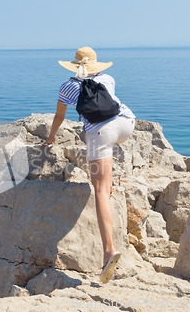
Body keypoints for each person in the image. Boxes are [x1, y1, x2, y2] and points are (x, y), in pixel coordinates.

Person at [42, 47, 136, 283]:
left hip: (101, 133)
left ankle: (108, 252)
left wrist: (52, 136)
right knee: (105, 171)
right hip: (126, 124)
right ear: (96, 65)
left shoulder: (66, 86)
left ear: (74, 66)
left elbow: (59, 117)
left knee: (101, 191)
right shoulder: (108, 78)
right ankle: (108, 178)